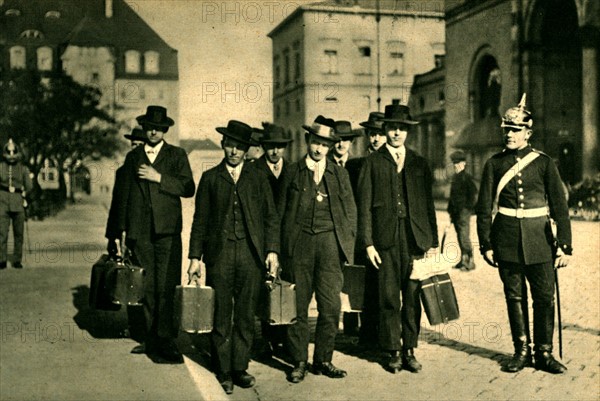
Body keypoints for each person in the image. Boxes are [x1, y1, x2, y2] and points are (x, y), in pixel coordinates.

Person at [475, 94, 571, 374]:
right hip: (506, 242)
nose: (510, 135)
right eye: (507, 129)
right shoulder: (493, 164)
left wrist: (564, 245)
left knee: (544, 298)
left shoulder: (543, 163)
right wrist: (486, 244)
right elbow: (483, 209)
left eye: (516, 130)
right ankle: (521, 351)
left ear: (528, 133)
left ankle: (544, 352)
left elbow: (560, 208)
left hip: (540, 240)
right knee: (514, 297)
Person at [187, 120, 280, 394]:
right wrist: (195, 257)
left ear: (246, 149)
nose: (234, 151)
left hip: (251, 255)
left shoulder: (257, 177)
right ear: (223, 145)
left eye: (240, 147)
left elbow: (271, 218)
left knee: (245, 314)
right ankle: (223, 370)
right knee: (221, 314)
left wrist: (272, 250)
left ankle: (239, 367)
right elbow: (200, 221)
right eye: (230, 145)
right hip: (220, 255)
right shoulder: (211, 178)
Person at [357, 102, 439, 373]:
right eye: (392, 128)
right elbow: (365, 206)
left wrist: (432, 243)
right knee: (389, 297)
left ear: (407, 131)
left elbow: (428, 206)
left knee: (413, 296)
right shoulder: (373, 162)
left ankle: (410, 349)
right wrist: (368, 243)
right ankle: (392, 350)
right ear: (386, 129)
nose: (396, 134)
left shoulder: (419, 163)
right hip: (385, 240)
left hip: (415, 238)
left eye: (401, 129)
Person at [278, 115, 356, 383]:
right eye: (315, 142)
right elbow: (278, 215)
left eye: (324, 144)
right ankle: (298, 360)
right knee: (297, 308)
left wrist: (345, 246)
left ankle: (323, 359)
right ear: (308, 140)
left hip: (330, 246)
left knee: (331, 306)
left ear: (330, 146)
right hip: (299, 246)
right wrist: (276, 250)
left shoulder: (339, 173)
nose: (319, 149)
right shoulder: (291, 171)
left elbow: (350, 213)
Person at [116, 105, 195, 364]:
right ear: (144, 128)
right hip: (141, 233)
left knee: (167, 286)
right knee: (147, 287)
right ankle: (150, 339)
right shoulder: (133, 157)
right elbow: (124, 196)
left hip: (168, 232)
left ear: (165, 130)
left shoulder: (176, 155)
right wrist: (120, 232)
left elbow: (188, 187)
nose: (153, 132)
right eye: (149, 127)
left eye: (158, 128)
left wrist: (158, 177)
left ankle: (166, 339)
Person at [253, 122, 293, 356]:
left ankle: (285, 337)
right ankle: (268, 338)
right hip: (263, 237)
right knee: (265, 287)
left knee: (286, 287)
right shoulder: (254, 170)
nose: (275, 152)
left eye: (279, 147)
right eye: (270, 147)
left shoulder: (292, 170)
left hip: (287, 238)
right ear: (263, 147)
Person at [105, 126, 146, 247]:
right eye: (134, 144)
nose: (136, 148)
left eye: (140, 145)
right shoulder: (122, 172)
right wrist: (111, 237)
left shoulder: (153, 171)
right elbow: (116, 204)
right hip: (129, 232)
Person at [0, 139, 33, 269]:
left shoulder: (23, 169)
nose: (11, 155)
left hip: (18, 202)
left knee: (18, 233)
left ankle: (17, 259)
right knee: (2, 233)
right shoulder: (1, 167)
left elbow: (29, 186)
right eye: (9, 152)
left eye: (14, 152)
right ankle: (1, 259)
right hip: (2, 202)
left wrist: (25, 196)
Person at [447, 150, 478, 271]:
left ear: (464, 164)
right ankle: (463, 259)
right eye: (454, 163)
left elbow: (473, 195)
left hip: (463, 212)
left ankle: (469, 261)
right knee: (460, 236)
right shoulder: (455, 178)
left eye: (458, 163)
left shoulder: (466, 178)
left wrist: (467, 209)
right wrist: (450, 211)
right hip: (455, 212)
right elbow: (452, 196)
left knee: (464, 236)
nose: (456, 165)